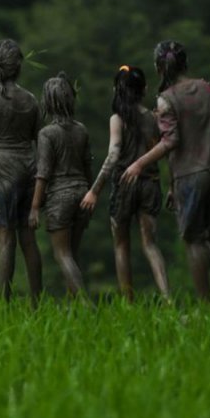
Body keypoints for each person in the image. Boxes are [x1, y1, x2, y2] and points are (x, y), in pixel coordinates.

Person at [121, 41, 210, 300]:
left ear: (158, 68)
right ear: (185, 63)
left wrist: (138, 163)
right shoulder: (207, 87)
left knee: (194, 239)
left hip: (191, 175)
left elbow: (171, 142)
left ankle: (205, 303)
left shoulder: (167, 100)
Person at [80, 65, 171, 303]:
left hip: (124, 186)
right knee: (150, 244)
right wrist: (172, 184)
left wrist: (94, 191)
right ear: (144, 89)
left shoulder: (117, 119)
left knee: (121, 245)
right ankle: (167, 297)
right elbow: (169, 151)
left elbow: (113, 155)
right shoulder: (154, 118)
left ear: (116, 89)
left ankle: (127, 303)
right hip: (150, 183)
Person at [0, 39, 43, 306]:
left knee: (5, 242)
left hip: (3, 171)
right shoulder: (31, 99)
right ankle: (37, 301)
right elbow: (40, 138)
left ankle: (4, 303)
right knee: (28, 240)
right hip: (29, 167)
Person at [29, 72, 92, 300]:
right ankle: (72, 309)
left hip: (60, 197)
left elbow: (43, 173)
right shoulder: (81, 130)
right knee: (73, 255)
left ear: (48, 101)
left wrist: (35, 207)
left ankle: (84, 305)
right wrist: (91, 193)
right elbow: (88, 167)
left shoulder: (47, 133)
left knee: (62, 255)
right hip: (83, 193)